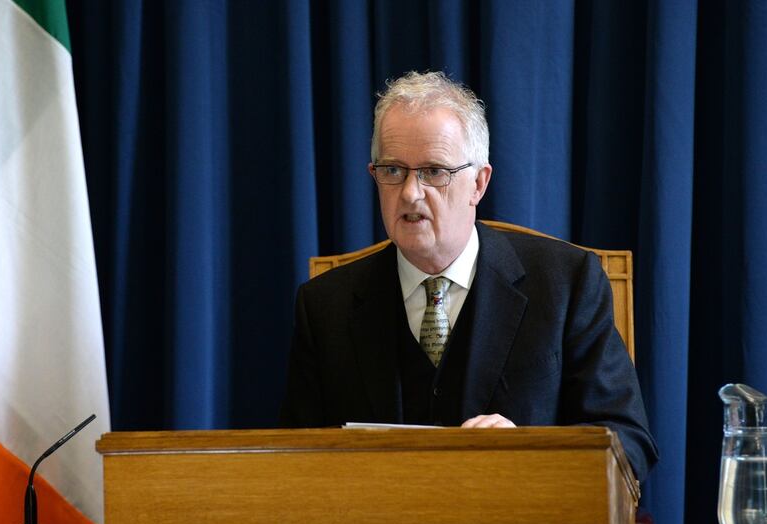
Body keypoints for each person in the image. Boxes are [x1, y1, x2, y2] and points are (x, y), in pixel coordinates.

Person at [280, 71, 658, 482]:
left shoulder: (567, 284)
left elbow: (629, 443)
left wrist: (533, 452)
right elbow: (295, 458)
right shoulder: (324, 306)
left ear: (478, 183)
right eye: (393, 171)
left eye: (434, 172)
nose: (410, 193)